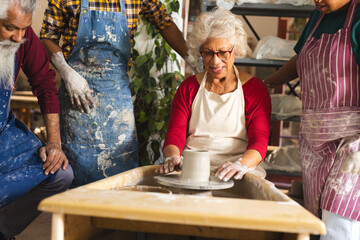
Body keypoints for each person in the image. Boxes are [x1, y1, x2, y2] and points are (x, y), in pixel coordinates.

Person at [40, 0, 202, 187]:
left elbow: (164, 22)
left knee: (120, 176)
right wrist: (66, 72)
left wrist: (195, 62)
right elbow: (47, 36)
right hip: (77, 95)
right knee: (77, 178)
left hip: (117, 101)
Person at [264, 0, 360, 239]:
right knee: (316, 225)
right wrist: (265, 84)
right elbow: (300, 61)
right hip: (315, 142)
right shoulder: (318, 16)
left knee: (339, 226)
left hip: (352, 142)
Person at [156, 8, 271, 182]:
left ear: (235, 50)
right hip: (191, 168)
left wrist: (241, 165)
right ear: (200, 52)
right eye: (208, 53)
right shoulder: (189, 87)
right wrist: (173, 157)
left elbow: (259, 141)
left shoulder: (254, 89)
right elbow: (175, 133)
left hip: (239, 171)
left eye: (223, 52)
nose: (215, 61)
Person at [0, 0, 74, 239]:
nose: (18, 37)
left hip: (3, 134)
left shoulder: (24, 37)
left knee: (60, 173)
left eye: (24, 28)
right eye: (10, 28)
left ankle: (2, 230)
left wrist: (54, 143)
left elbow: (44, 84)